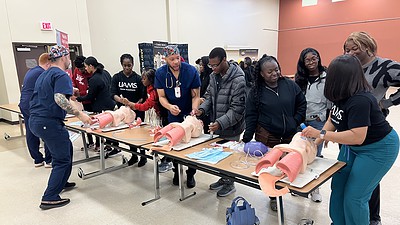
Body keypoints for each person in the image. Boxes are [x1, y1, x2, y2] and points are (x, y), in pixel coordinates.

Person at [302, 55, 399, 225]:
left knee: (355, 197)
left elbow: (357, 136)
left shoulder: (361, 100)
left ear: (341, 78)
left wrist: (321, 134)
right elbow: (333, 119)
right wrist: (313, 144)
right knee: (338, 186)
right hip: (352, 147)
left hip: (378, 149)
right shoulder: (340, 95)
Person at [344, 31, 400, 225]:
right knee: (355, 179)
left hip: (373, 130)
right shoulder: (350, 67)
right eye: (347, 49)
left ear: (367, 47)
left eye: (355, 49)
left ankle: (373, 218)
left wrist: (387, 103)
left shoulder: (385, 66)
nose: (350, 53)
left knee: (368, 180)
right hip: (351, 129)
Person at [29, 45, 92, 210]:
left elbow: (51, 93)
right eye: (68, 57)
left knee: (66, 148)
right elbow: (59, 98)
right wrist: (80, 114)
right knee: (62, 159)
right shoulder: (61, 74)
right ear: (64, 57)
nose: (69, 60)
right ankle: (49, 197)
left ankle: (61, 182)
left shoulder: (46, 74)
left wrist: (70, 91)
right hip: (48, 122)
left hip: (36, 120)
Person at [242, 54, 306, 211]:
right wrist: (247, 137)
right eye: (270, 72)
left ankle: (289, 188)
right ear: (262, 74)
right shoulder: (256, 92)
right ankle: (273, 196)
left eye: (277, 69)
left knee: (289, 165)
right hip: (268, 136)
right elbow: (251, 115)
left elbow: (302, 103)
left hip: (290, 136)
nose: (275, 74)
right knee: (271, 169)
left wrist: (295, 121)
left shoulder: (289, 85)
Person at [196, 47, 246, 197]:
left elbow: (237, 109)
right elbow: (209, 97)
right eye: (211, 65)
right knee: (219, 154)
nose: (213, 68)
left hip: (232, 126)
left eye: (215, 65)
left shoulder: (239, 79)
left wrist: (220, 123)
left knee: (229, 157)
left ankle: (230, 183)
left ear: (224, 60)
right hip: (217, 123)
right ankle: (224, 178)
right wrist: (202, 109)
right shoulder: (213, 76)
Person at [154, 45, 201, 188]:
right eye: (171, 59)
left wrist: (194, 111)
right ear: (166, 59)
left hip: (189, 114)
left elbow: (196, 95)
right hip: (174, 115)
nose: (175, 62)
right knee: (174, 145)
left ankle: (191, 174)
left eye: (177, 58)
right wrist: (169, 107)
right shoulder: (161, 73)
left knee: (192, 146)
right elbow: (161, 96)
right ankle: (176, 171)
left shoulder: (191, 71)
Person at [295, 47, 330, 202]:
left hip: (318, 123)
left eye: (314, 58)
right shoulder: (299, 79)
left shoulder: (326, 77)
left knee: (315, 155)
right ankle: (300, 185)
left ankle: (315, 189)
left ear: (318, 58)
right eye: (307, 59)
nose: (311, 62)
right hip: (301, 122)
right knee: (300, 153)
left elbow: (330, 104)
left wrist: (327, 130)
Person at [111, 54, 147, 166]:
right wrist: (121, 101)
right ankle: (134, 155)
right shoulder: (116, 77)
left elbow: (143, 96)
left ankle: (143, 156)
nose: (127, 68)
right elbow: (113, 94)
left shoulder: (138, 78)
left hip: (137, 110)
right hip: (124, 111)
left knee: (139, 134)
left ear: (133, 65)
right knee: (130, 134)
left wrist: (134, 104)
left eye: (129, 65)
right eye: (125, 65)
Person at [75, 56, 116, 155]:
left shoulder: (94, 79)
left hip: (101, 107)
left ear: (91, 66)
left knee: (101, 128)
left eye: (86, 67)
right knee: (110, 128)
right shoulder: (105, 73)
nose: (85, 69)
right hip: (110, 105)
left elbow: (90, 96)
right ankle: (112, 146)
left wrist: (77, 98)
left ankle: (105, 146)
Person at [18, 53, 52, 168]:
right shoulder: (42, 73)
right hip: (33, 105)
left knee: (31, 131)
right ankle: (49, 160)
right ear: (48, 63)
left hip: (24, 104)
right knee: (46, 129)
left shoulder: (32, 71)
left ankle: (37, 159)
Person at [71, 56, 97, 151]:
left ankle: (98, 143)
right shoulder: (77, 70)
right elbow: (73, 80)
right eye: (79, 69)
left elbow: (91, 90)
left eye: (83, 68)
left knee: (95, 122)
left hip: (92, 100)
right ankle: (90, 142)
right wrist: (74, 89)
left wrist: (79, 95)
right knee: (86, 122)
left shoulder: (91, 74)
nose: (82, 71)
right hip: (83, 101)